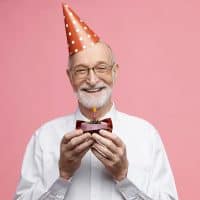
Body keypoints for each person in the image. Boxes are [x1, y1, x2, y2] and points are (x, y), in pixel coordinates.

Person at [14, 4, 178, 200]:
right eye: (81, 70)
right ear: (70, 77)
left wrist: (124, 177)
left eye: (101, 68)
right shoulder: (43, 137)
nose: (92, 80)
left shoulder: (146, 135)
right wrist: (63, 176)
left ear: (115, 72)